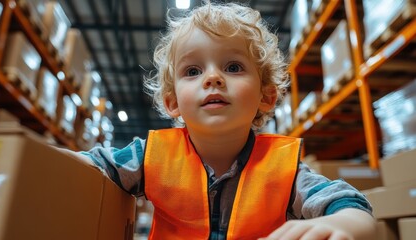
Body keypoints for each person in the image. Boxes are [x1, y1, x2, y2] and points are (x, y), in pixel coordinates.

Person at [72, 2, 376, 239]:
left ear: (266, 97)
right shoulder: (150, 155)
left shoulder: (284, 170)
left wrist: (346, 221)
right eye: (193, 71)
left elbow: (346, 202)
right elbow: (84, 166)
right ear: (173, 102)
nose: (213, 78)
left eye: (233, 67)